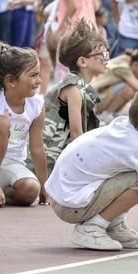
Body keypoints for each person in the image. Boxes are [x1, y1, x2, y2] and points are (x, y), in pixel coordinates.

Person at [45, 82, 138, 251]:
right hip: (70, 206)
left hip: (62, 196)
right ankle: (92, 228)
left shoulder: (123, 124)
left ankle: (114, 226)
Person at [0, 42, 46, 207]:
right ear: (11, 81)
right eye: (32, 75)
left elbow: (37, 148)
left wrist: (44, 187)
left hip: (12, 164)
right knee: (2, 122)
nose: (39, 80)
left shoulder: (37, 105)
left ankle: (1, 193)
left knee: (31, 190)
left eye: (38, 74)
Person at [43, 21, 108, 171]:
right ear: (83, 61)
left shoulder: (80, 85)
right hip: (49, 160)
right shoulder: (74, 88)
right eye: (102, 54)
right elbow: (76, 134)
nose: (106, 59)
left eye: (107, 53)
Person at [92, 48, 138, 118]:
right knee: (130, 88)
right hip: (96, 99)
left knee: (132, 88)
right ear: (136, 65)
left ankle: (114, 113)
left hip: (102, 96)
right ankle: (106, 115)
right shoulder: (123, 67)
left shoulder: (128, 60)